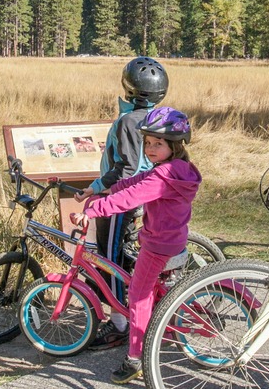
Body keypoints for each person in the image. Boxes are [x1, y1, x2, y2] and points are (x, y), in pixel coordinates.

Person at [76, 107, 201, 384]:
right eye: (147, 143)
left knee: (137, 295)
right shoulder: (177, 170)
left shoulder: (161, 176)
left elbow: (131, 199)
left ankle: (136, 357)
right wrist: (103, 189)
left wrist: (94, 210)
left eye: (158, 143)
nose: (150, 148)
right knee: (153, 290)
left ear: (175, 145)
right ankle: (162, 326)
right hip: (172, 241)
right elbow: (134, 183)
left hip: (157, 247)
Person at [79, 56, 167, 349]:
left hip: (121, 200)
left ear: (127, 86)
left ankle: (119, 323)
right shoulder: (158, 116)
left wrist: (96, 189)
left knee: (109, 258)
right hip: (143, 194)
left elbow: (126, 168)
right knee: (124, 253)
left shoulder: (128, 120)